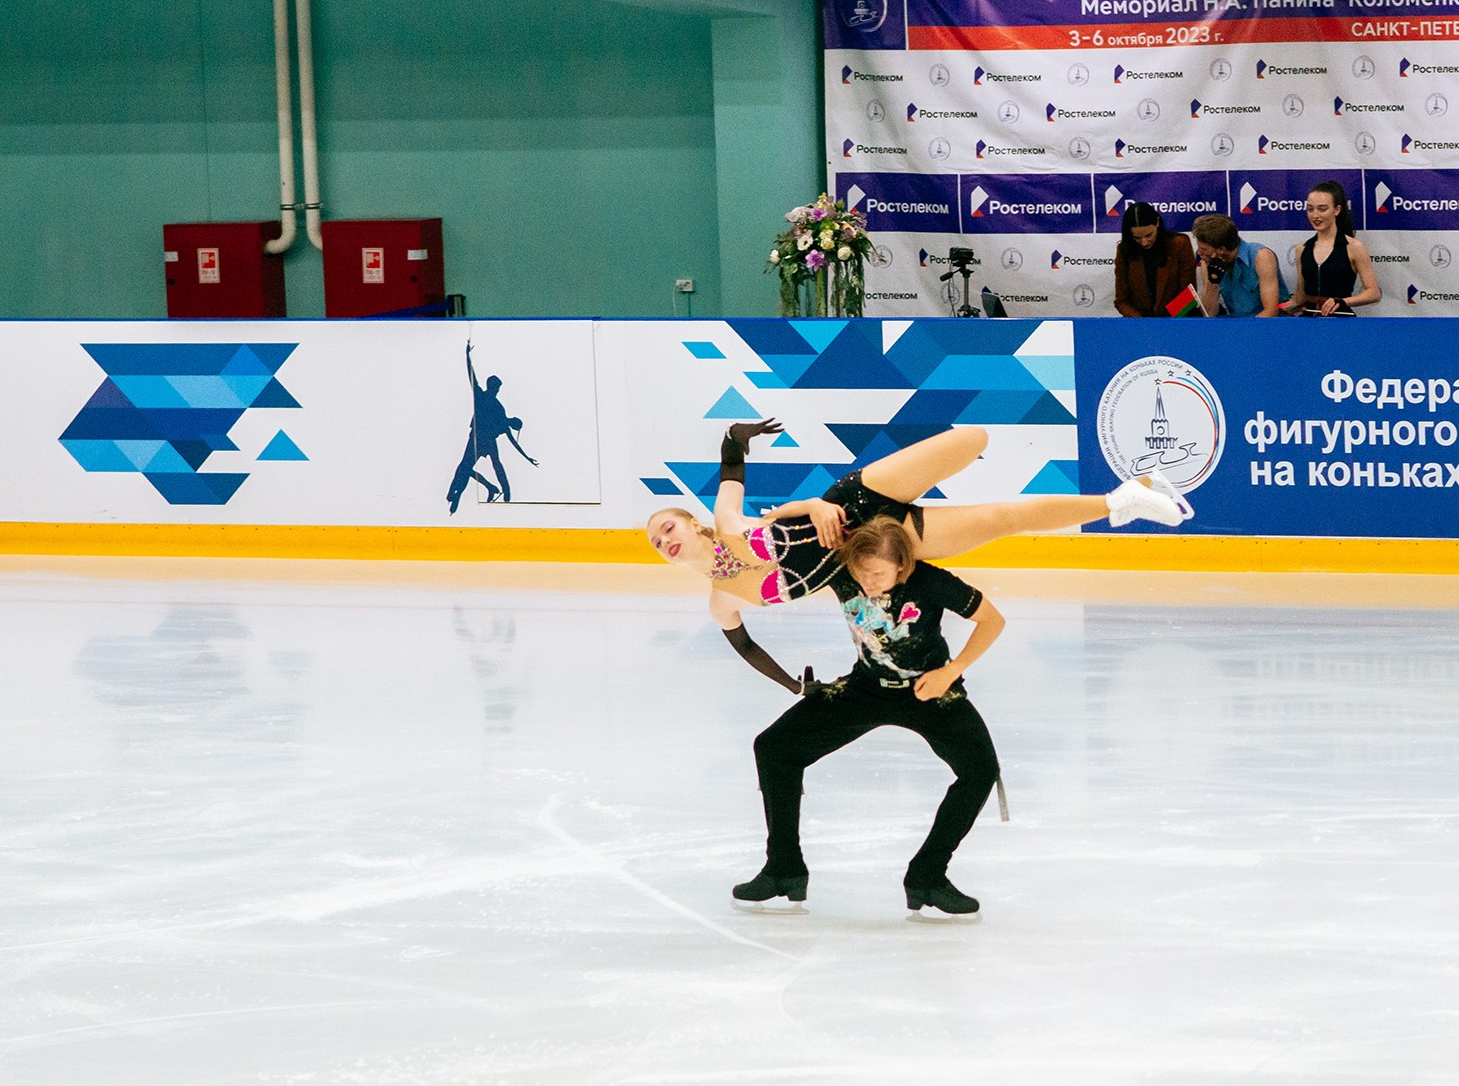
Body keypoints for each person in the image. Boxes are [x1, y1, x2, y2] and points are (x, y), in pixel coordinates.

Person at [646, 420, 1188, 691]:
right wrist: (795, 686)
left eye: (667, 526)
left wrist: (805, 497)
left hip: (856, 500)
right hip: (879, 544)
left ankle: (1135, 488)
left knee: (971, 438)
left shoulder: (725, 519)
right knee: (1004, 521)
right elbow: (747, 650)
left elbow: (731, 456)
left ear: (691, 523)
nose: (665, 538)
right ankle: (1124, 500)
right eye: (656, 542)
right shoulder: (722, 603)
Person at [733, 517, 1003, 915]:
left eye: (877, 574)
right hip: (864, 688)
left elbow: (992, 620)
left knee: (981, 770)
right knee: (774, 748)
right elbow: (780, 544)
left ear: (901, 565)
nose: (868, 582)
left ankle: (927, 876)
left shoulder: (931, 582)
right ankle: (783, 867)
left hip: (930, 692)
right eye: (862, 573)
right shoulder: (842, 573)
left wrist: (950, 671)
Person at [447, 342, 537, 512]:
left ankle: (462, 491)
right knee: (472, 466)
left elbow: (513, 441)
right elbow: (471, 375)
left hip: (482, 439)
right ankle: (466, 490)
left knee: (473, 466)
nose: (497, 391)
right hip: (479, 438)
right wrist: (467, 357)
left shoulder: (494, 406)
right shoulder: (493, 405)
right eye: (497, 388)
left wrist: (527, 457)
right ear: (494, 387)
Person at [1285, 180, 1381, 317]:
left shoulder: (1354, 247)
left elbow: (1373, 293)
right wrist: (1288, 306)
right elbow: (1301, 296)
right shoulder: (1302, 248)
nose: (1315, 215)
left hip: (1340, 322)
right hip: (1308, 323)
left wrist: (1342, 302)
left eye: (1322, 209)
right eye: (1310, 209)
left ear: (1337, 210)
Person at [1190, 213, 1285, 317]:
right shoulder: (1207, 263)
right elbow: (1209, 314)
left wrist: (1244, 331)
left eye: (1203, 249)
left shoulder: (1262, 256)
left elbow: (1271, 311)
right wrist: (1212, 282)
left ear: (1221, 249)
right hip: (1235, 323)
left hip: (1265, 325)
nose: (1198, 253)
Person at [1112, 201, 1197, 318]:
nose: (1144, 242)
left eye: (1148, 235)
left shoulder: (1180, 244)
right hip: (1140, 325)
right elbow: (1122, 300)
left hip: (1176, 323)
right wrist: (1141, 322)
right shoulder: (1124, 250)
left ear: (1157, 223)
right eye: (1137, 238)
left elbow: (1188, 295)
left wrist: (1166, 324)